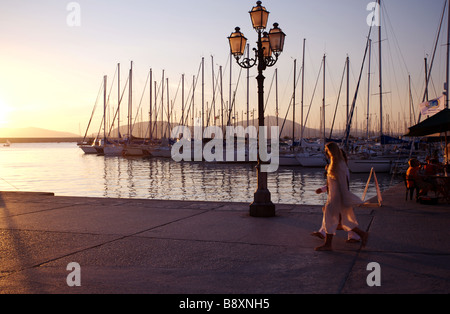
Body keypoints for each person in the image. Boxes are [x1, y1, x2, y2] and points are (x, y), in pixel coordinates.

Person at [314, 142, 368, 251]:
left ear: (331, 151)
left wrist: (346, 198)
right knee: (344, 221)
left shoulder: (339, 166)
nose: (325, 153)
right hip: (335, 198)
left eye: (326, 150)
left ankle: (328, 244)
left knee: (331, 220)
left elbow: (343, 184)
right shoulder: (335, 164)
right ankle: (361, 235)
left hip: (337, 198)